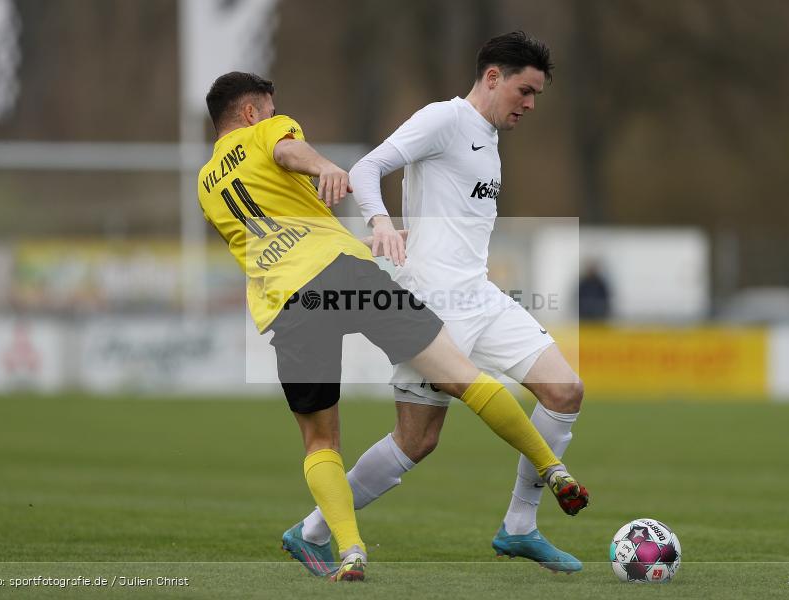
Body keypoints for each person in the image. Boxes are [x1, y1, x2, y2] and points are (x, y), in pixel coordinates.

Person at [197, 71, 582, 581]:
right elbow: (291, 153)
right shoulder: (268, 131)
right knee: (459, 375)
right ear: (251, 112)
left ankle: (351, 549)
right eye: (269, 110)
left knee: (320, 443)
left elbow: (274, 229)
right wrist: (325, 165)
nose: (274, 117)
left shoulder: (204, 183)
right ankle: (551, 468)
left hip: (285, 304)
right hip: (342, 274)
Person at [291, 32, 590, 573]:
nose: (529, 105)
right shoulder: (444, 119)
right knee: (418, 439)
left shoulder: (489, 137)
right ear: (492, 77)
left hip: (481, 295)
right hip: (432, 304)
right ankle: (311, 529)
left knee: (565, 391)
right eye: (525, 91)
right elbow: (365, 168)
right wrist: (381, 221)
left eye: (537, 96)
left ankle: (519, 526)